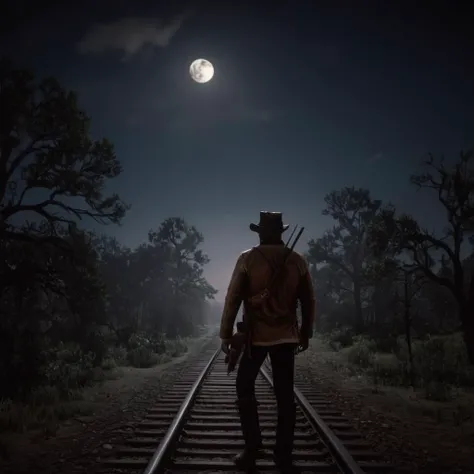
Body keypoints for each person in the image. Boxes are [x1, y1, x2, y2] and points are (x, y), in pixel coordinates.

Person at [219, 211, 316, 473]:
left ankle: (252, 449)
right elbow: (308, 301)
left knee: (244, 386)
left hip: (256, 337)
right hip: (286, 337)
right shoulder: (298, 261)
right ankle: (283, 456)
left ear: (260, 232)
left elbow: (233, 299)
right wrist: (305, 333)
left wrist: (226, 334)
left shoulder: (247, 258)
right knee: (285, 396)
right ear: (281, 233)